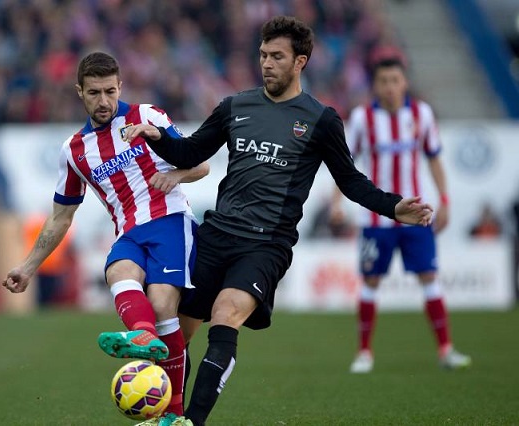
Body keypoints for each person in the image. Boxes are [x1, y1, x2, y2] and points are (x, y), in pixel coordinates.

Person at [123, 16, 434, 426]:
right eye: (263, 55)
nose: (266, 64)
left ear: (300, 61)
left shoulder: (321, 119)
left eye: (277, 56)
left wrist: (394, 207)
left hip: (266, 244)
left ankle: (190, 424)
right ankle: (165, 412)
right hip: (216, 233)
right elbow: (190, 152)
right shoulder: (235, 106)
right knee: (178, 333)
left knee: (226, 311)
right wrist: (157, 136)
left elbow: (351, 181)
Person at [2, 52, 209, 423]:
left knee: (163, 304)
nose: (104, 101)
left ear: (120, 87)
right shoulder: (75, 150)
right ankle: (143, 337)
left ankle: (174, 416)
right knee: (117, 271)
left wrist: (175, 176)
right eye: (94, 92)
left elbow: (202, 162)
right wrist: (28, 267)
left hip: (170, 221)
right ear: (79, 91)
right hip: (128, 231)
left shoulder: (147, 116)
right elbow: (60, 217)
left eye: (110, 91)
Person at [341, 56, 471, 373]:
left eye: (395, 80)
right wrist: (335, 201)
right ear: (375, 85)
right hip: (375, 218)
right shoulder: (361, 119)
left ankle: (445, 349)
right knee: (371, 281)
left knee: (429, 276)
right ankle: (364, 353)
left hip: (416, 213)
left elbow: (434, 158)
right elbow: (345, 165)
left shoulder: (421, 114)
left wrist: (445, 200)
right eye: (383, 81)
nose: (389, 87)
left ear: (405, 82)